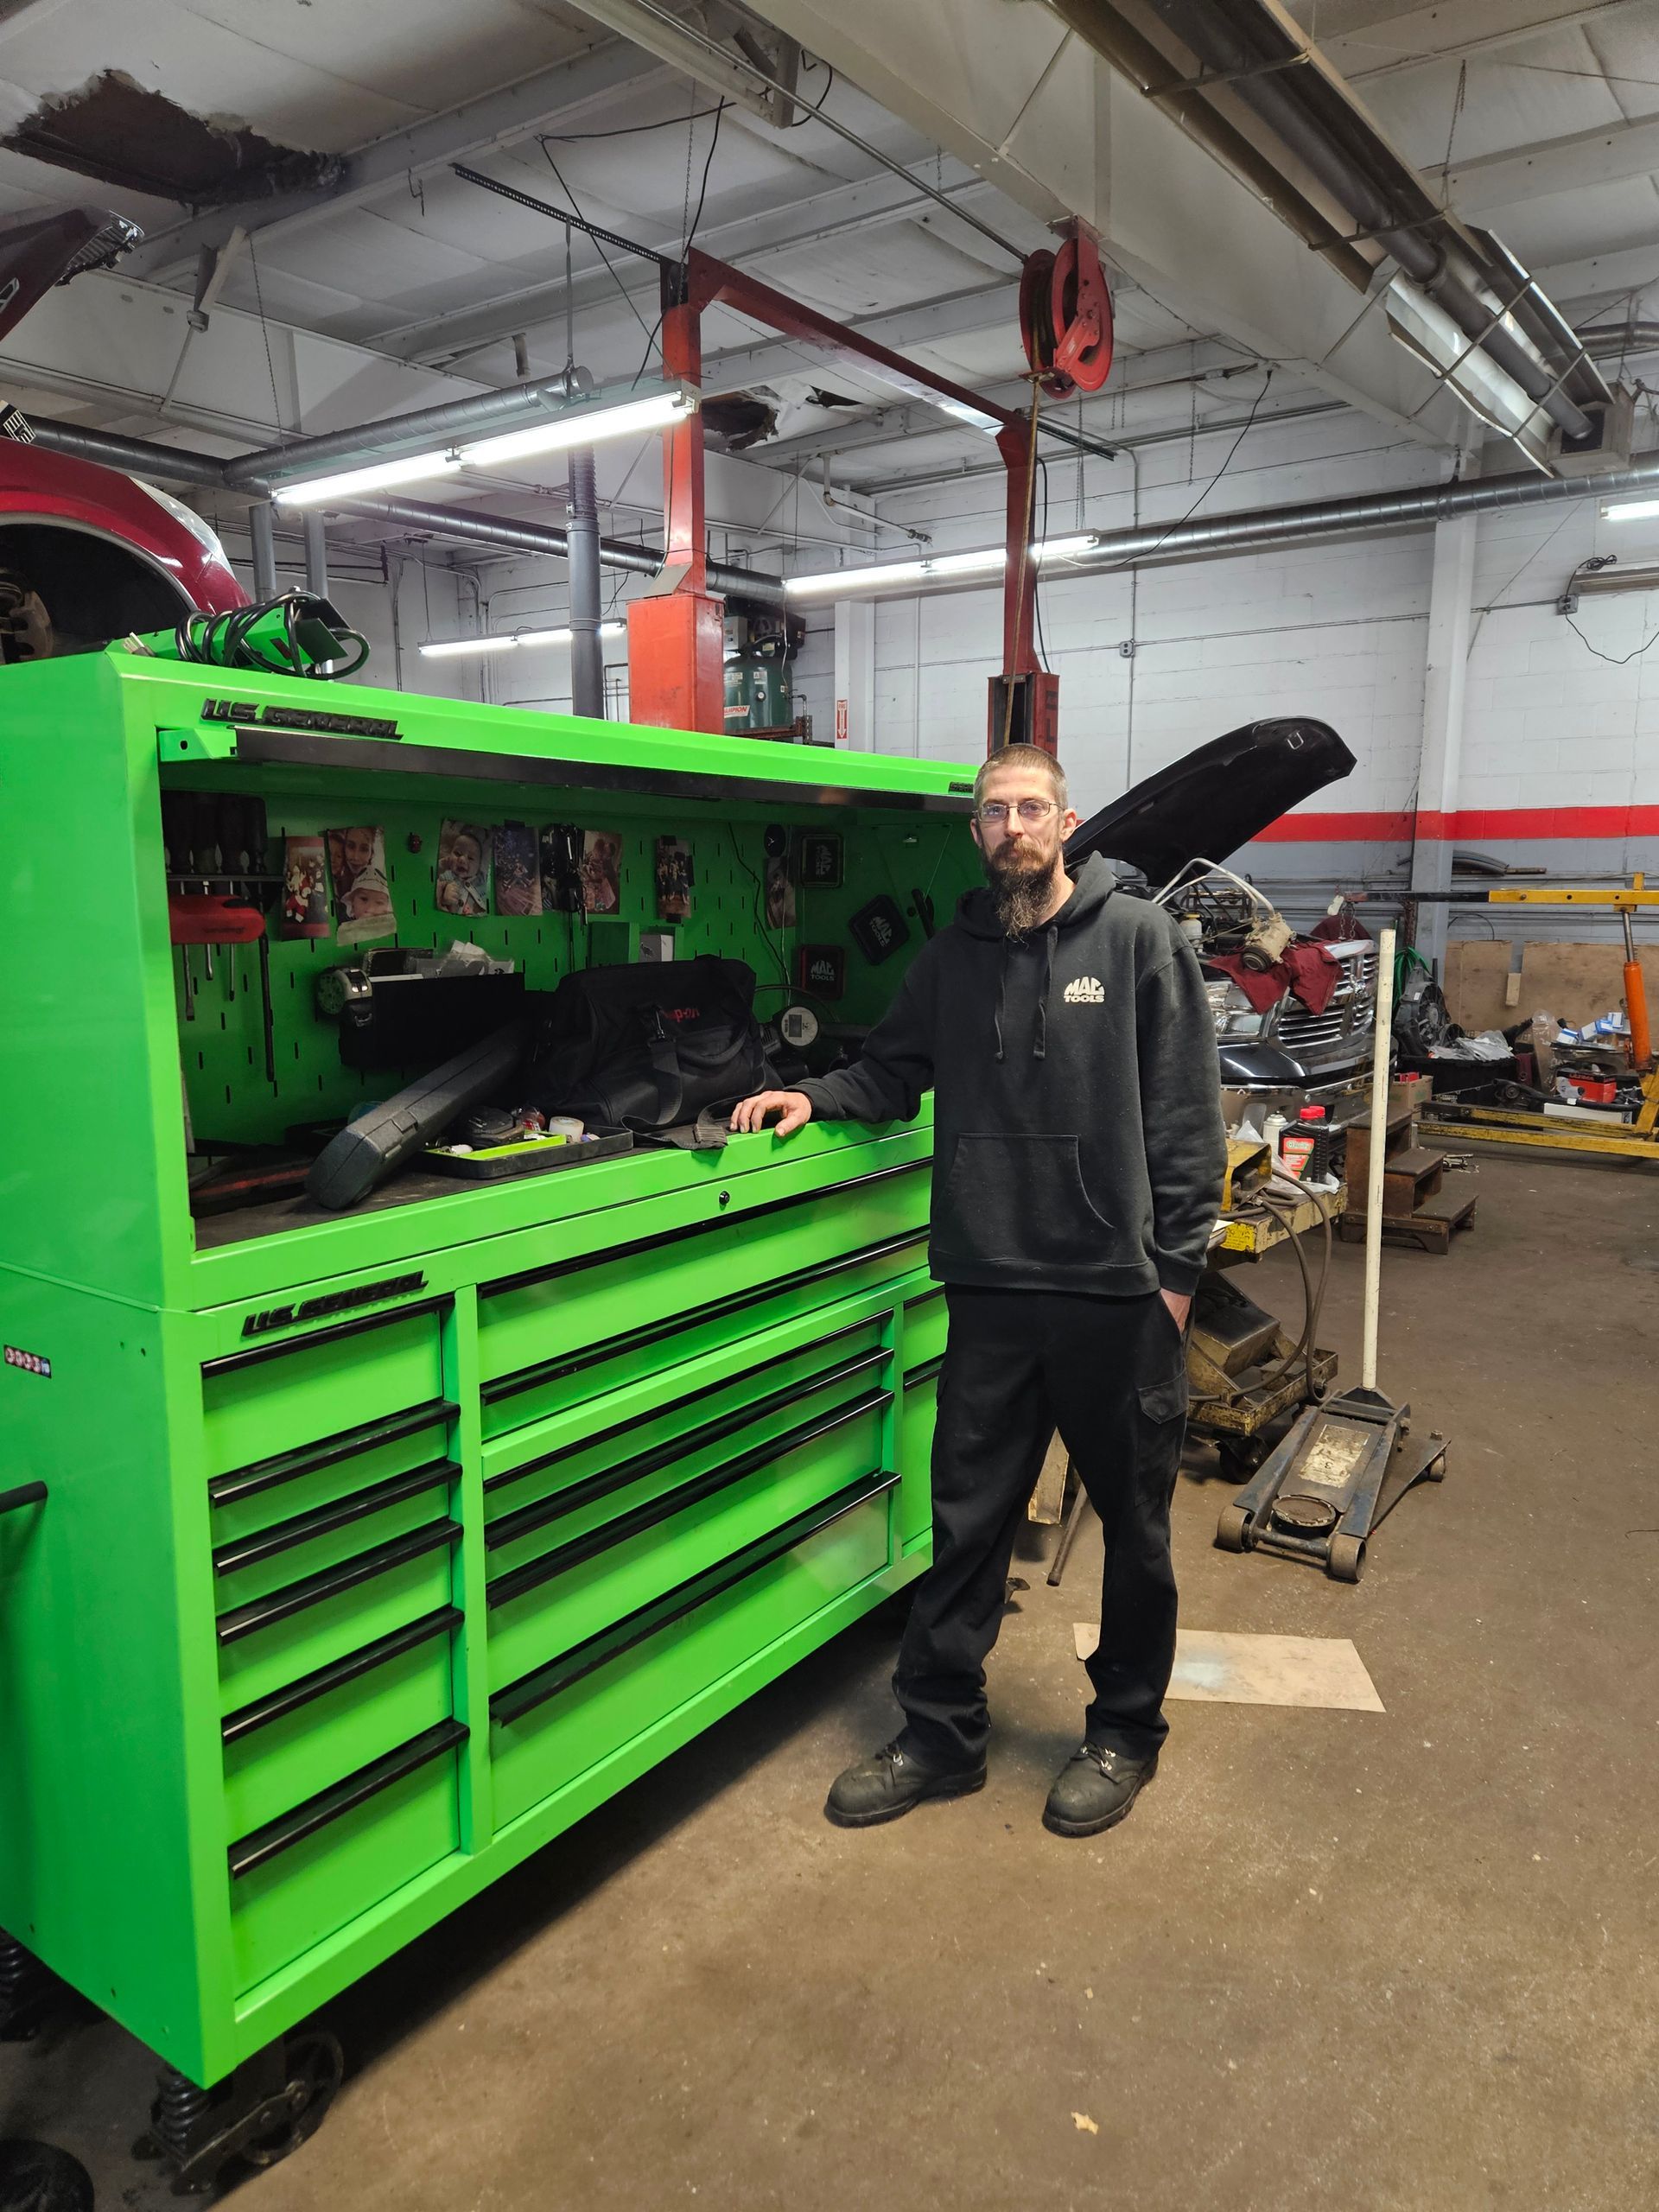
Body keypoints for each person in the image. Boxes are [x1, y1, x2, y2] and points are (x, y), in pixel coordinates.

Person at [732, 742, 1225, 1839]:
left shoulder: (1140, 940)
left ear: (1067, 821)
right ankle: (940, 1735)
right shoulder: (949, 959)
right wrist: (812, 1098)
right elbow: (889, 1068)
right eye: (995, 811)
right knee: (966, 1528)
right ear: (977, 832)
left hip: (1115, 1299)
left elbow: (1191, 1126)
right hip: (991, 1289)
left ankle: (1125, 1732)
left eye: (1033, 808)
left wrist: (1176, 1285)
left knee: (1136, 1538)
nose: (1014, 826)